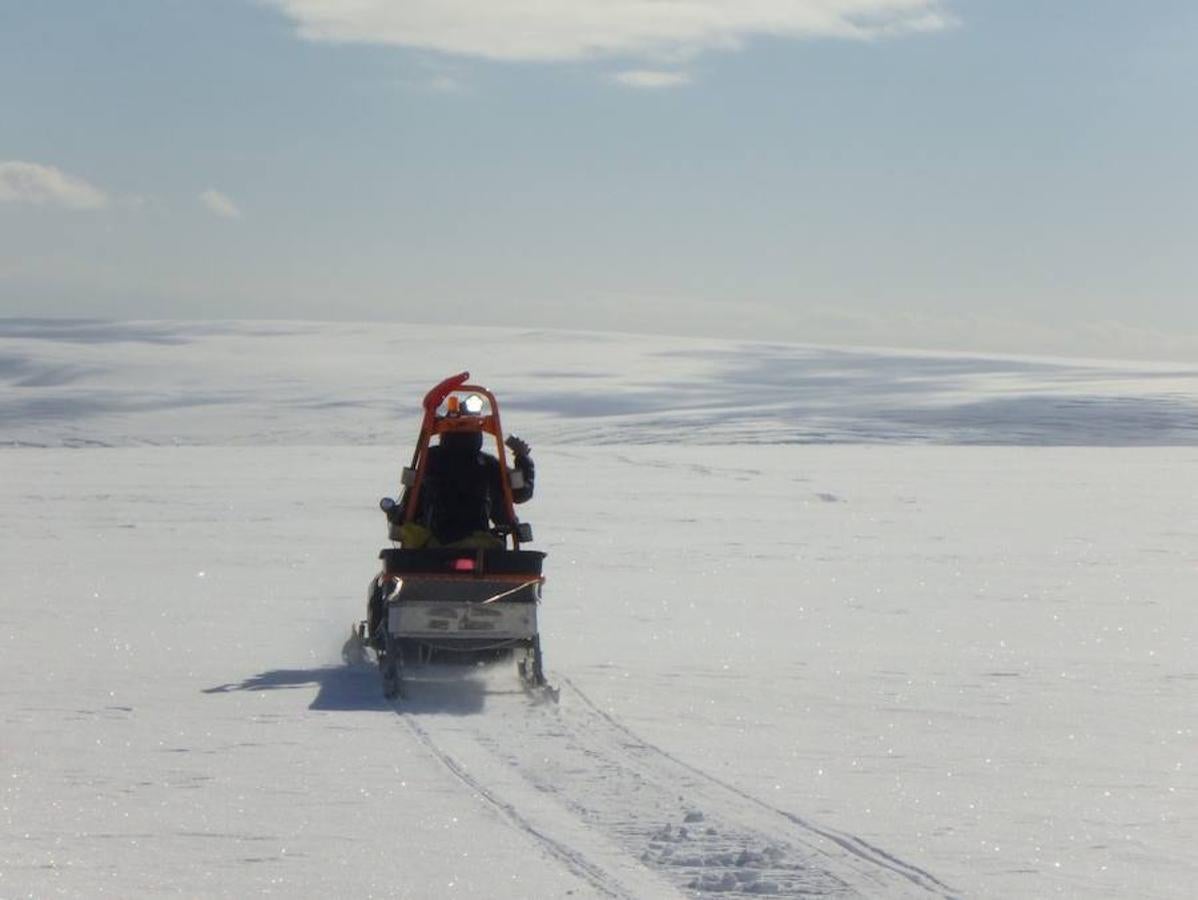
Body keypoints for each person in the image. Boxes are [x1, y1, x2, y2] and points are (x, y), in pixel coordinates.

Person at [388, 432, 534, 548]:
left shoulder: (430, 460)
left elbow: (410, 504)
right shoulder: (488, 464)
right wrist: (523, 458)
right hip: (479, 544)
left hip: (434, 546)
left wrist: (397, 514)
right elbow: (521, 493)